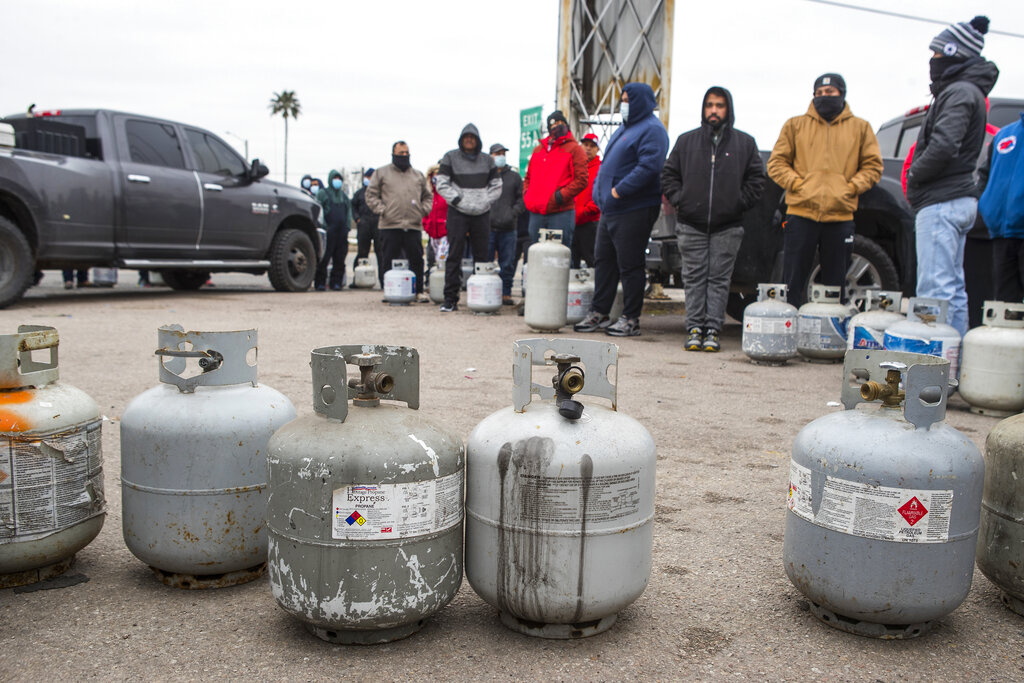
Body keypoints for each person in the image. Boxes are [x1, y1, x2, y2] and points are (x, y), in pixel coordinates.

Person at [906, 16, 999, 336]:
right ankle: (952, 361)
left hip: (942, 200)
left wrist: (915, 176)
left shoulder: (958, 92)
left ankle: (933, 368)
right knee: (954, 289)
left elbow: (944, 145)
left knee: (935, 289)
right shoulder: (968, 90)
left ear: (953, 53)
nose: (932, 61)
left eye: (936, 54)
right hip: (957, 199)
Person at [662, 86, 766, 353]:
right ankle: (694, 328)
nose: (714, 110)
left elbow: (757, 180)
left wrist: (737, 204)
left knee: (719, 280)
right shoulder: (687, 141)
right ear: (703, 109)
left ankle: (712, 330)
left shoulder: (744, 143)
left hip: (727, 226)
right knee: (694, 278)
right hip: (691, 223)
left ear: (728, 109)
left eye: (719, 106)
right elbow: (669, 174)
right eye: (709, 105)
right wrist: (680, 199)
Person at [766, 73, 883, 309]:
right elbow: (776, 164)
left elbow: (873, 166)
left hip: (840, 216)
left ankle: (830, 336)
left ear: (841, 94)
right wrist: (800, 186)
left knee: (835, 284)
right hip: (800, 214)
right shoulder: (794, 125)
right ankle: (791, 329)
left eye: (829, 93)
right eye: (819, 93)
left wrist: (850, 188)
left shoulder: (861, 128)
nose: (823, 97)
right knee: (792, 282)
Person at [573, 82, 669, 337]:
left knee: (630, 264)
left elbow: (649, 167)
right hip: (611, 210)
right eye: (622, 100)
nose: (623, 104)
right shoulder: (626, 128)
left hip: (634, 208)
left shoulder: (652, 130)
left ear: (640, 102)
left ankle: (630, 318)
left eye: (628, 100)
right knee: (604, 261)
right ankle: (600, 312)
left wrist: (618, 191)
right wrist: (603, 194)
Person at [434, 123, 502, 312]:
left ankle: (480, 300)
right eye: (466, 137)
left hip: (481, 213)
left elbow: (497, 185)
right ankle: (450, 299)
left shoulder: (488, 160)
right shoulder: (450, 157)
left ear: (477, 140)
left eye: (473, 137)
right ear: (462, 139)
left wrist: (485, 201)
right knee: (454, 254)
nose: (469, 140)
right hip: (457, 211)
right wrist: (456, 199)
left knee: (482, 257)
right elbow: (441, 183)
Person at [365, 141, 432, 302]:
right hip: (390, 224)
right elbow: (371, 195)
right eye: (400, 153)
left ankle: (418, 291)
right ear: (393, 154)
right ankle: (389, 291)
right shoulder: (382, 173)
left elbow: (428, 196)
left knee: (416, 259)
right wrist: (382, 210)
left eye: (406, 153)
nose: (404, 156)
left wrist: (422, 211)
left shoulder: (417, 175)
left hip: (413, 224)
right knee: (388, 259)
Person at [523, 111, 588, 250]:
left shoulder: (575, 149)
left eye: (561, 123)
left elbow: (581, 179)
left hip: (561, 212)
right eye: (554, 124)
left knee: (559, 257)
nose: (558, 127)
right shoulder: (538, 150)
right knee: (536, 255)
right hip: (537, 213)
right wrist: (527, 194)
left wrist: (560, 197)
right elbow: (528, 177)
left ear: (567, 125)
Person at [979, 110, 1024, 302]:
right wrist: (986, 203)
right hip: (1001, 234)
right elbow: (984, 174)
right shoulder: (1004, 135)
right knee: (1004, 308)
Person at [487, 143, 524, 305]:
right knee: (485, 262)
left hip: (509, 227)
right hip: (487, 227)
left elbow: (521, 200)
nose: (500, 156)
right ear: (490, 155)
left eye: (503, 153)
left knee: (507, 263)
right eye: (497, 153)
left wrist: (512, 213)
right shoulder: (485, 175)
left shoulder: (514, 177)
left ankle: (506, 293)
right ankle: (486, 293)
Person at [314, 169, 352, 291]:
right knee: (324, 258)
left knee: (340, 258)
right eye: (335, 178)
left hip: (342, 232)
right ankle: (320, 282)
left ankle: (336, 282)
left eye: (339, 179)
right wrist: (324, 226)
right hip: (328, 231)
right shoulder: (322, 193)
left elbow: (348, 212)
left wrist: (347, 227)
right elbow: (318, 210)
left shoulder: (344, 196)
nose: (337, 181)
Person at [572, 133, 602, 268]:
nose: (588, 148)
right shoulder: (573, 166)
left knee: (593, 261)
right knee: (571, 263)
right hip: (571, 223)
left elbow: (601, 195)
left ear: (597, 149)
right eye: (586, 145)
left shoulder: (601, 168)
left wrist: (585, 211)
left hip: (589, 223)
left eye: (592, 146)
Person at [351, 168, 383, 287]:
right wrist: (357, 219)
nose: (370, 180)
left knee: (381, 253)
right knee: (362, 253)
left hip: (378, 224)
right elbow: (353, 207)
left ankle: (383, 281)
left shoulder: (381, 193)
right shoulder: (359, 193)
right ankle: (358, 280)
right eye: (368, 177)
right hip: (363, 224)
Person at [423, 163, 449, 280]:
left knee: (442, 259)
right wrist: (426, 224)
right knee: (431, 258)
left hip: (445, 233)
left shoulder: (447, 194)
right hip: (432, 232)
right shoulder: (428, 195)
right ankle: (431, 281)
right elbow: (424, 211)